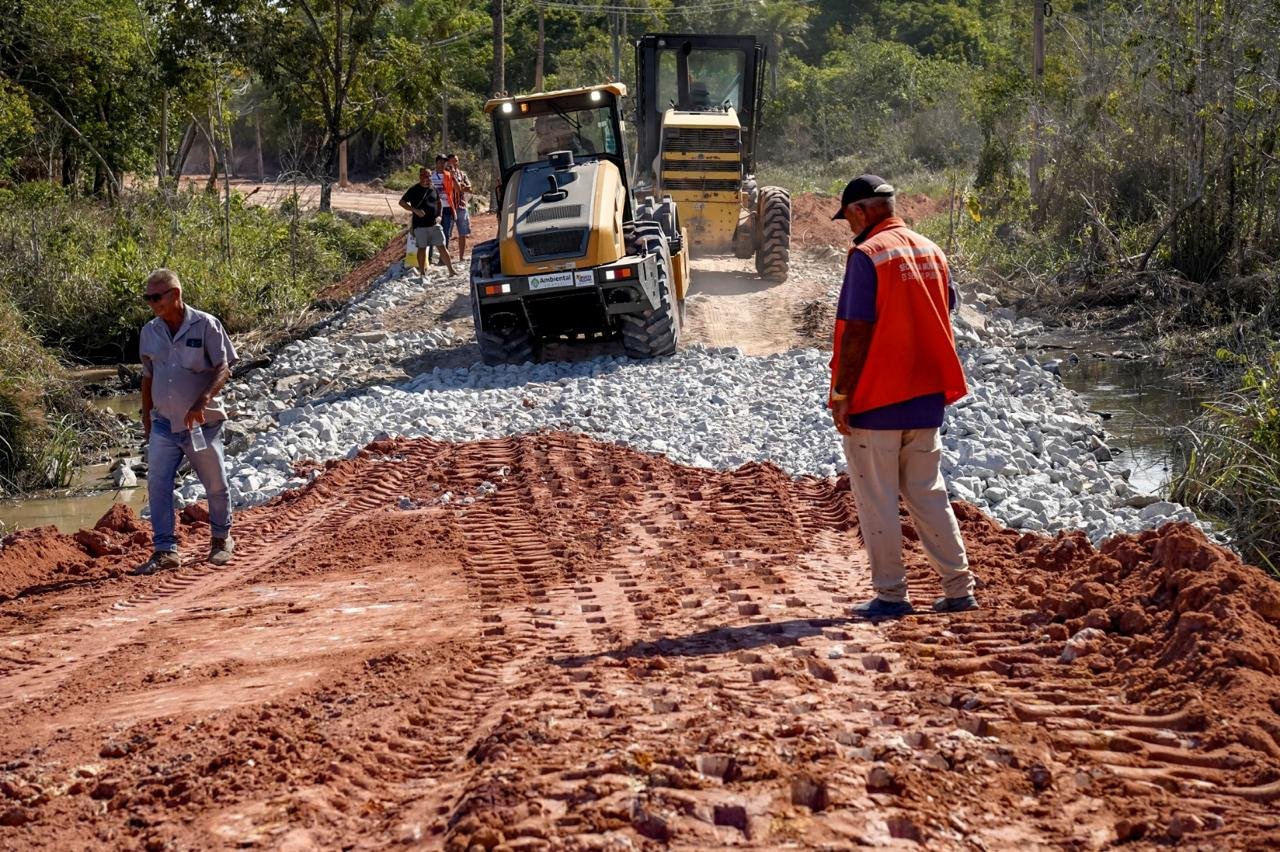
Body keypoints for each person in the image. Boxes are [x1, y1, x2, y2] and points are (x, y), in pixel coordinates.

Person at [828, 174, 978, 618]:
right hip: (926, 396)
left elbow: (856, 330)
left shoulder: (867, 255)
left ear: (860, 211)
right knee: (928, 494)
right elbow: (942, 307)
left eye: (849, 217)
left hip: (877, 399)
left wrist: (841, 393)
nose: (849, 226)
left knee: (877, 498)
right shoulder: (932, 251)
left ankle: (891, 595)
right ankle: (958, 589)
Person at [133, 269, 237, 575]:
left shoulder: (206, 325)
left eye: (156, 297)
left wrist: (202, 401)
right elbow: (148, 377)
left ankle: (221, 540)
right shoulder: (149, 332)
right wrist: (147, 418)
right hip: (164, 423)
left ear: (175, 295)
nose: (151, 303)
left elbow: (223, 367)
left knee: (215, 483)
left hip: (200, 424)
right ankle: (165, 550)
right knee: (158, 485)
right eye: (147, 298)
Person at [398, 166, 456, 276]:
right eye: (425, 175)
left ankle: (451, 270)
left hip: (434, 224)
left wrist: (439, 215)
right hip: (420, 226)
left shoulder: (433, 188)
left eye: (429, 176)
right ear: (420, 176)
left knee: (442, 247)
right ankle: (422, 274)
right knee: (422, 248)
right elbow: (402, 202)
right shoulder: (413, 190)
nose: (428, 178)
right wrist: (414, 210)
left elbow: (439, 203)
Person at [446, 153, 472, 262]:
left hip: (461, 205)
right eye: (452, 161)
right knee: (446, 233)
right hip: (449, 206)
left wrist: (463, 187)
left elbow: (469, 188)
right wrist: (461, 187)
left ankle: (461, 257)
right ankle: (444, 258)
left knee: (463, 232)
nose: (455, 163)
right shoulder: (445, 175)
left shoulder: (462, 174)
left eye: (456, 160)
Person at [431, 154, 456, 264]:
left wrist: (453, 176)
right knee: (431, 233)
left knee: (446, 233)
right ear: (436, 162)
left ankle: (443, 259)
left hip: (447, 207)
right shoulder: (430, 176)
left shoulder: (448, 175)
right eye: (441, 162)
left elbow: (455, 190)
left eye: (444, 162)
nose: (442, 164)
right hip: (434, 209)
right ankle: (429, 258)